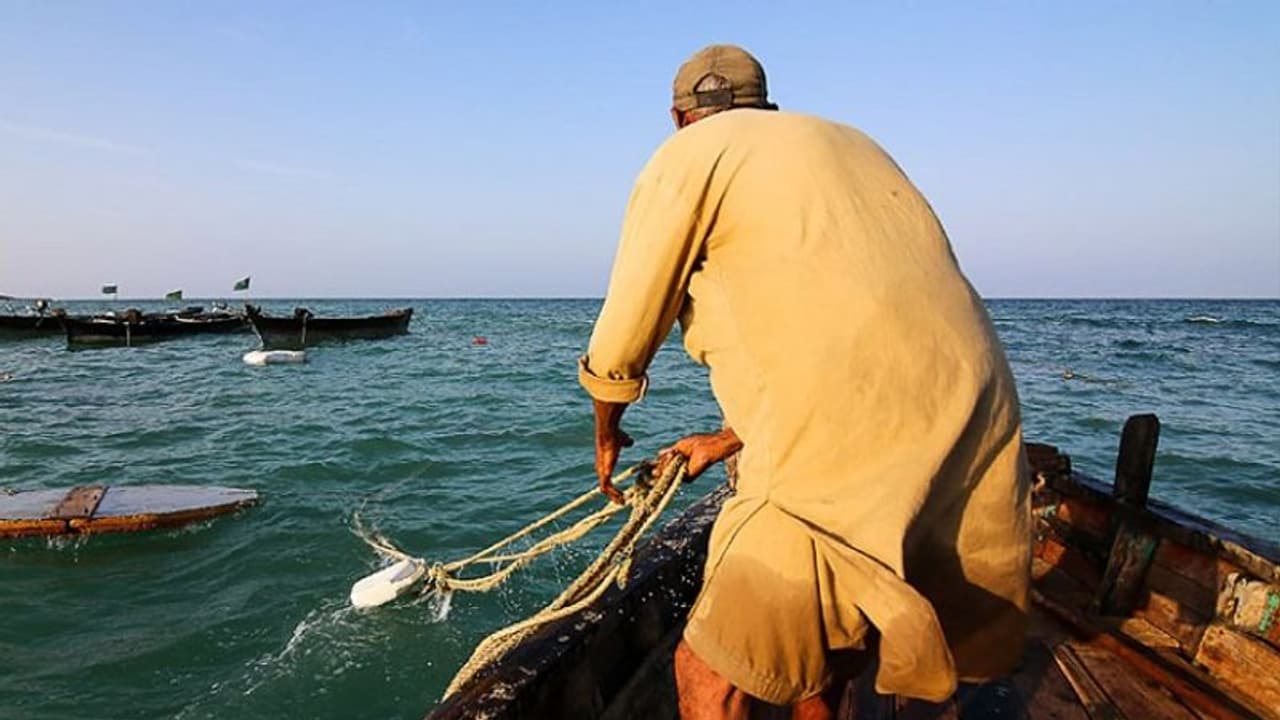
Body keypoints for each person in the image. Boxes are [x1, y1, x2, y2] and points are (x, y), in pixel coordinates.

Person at [578, 44, 1031, 719]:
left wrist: (607, 429)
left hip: (834, 450)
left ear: (679, 116)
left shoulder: (688, 155)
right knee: (828, 649)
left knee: (709, 674)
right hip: (978, 420)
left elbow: (624, 336)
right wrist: (730, 439)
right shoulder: (855, 145)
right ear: (765, 104)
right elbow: (861, 338)